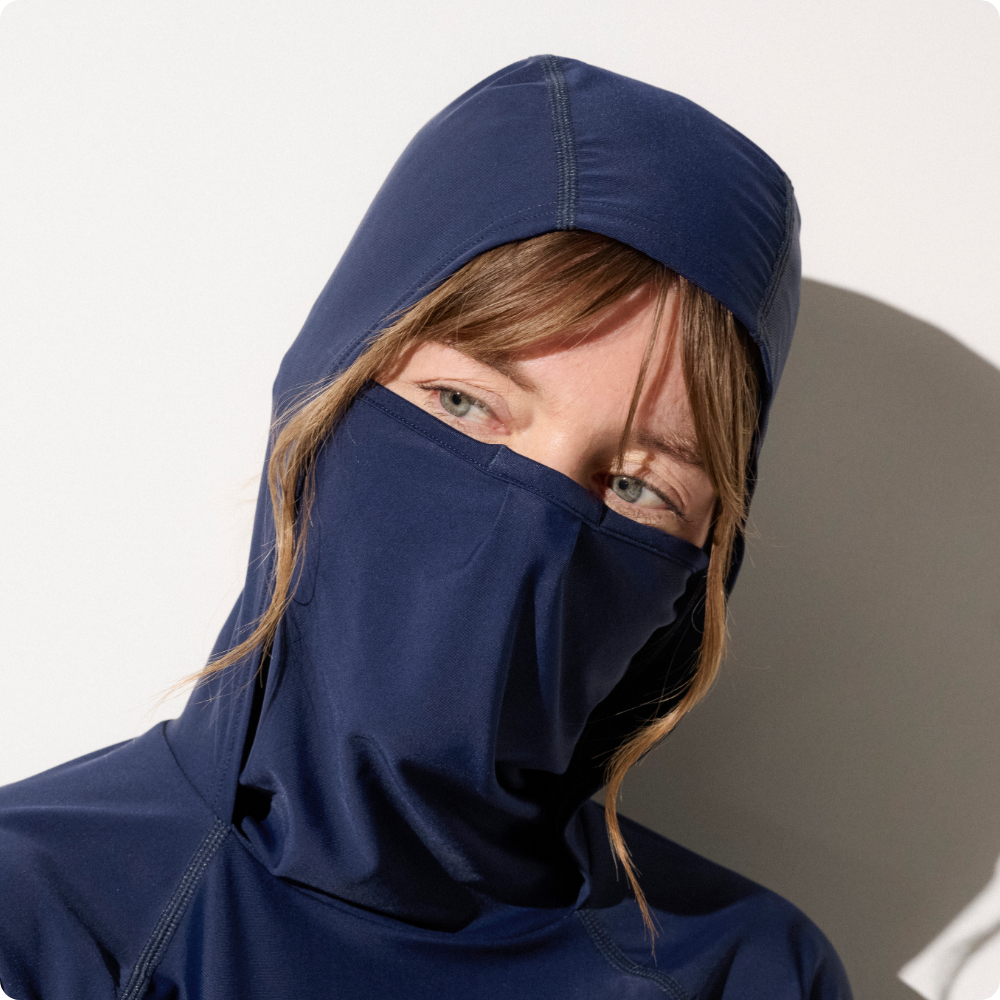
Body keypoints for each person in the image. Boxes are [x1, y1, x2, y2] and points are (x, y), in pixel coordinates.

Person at [0, 55, 852, 998]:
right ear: (325, 397)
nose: (535, 529)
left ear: (700, 577)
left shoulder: (751, 973)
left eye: (634, 486)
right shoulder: (32, 919)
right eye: (463, 403)